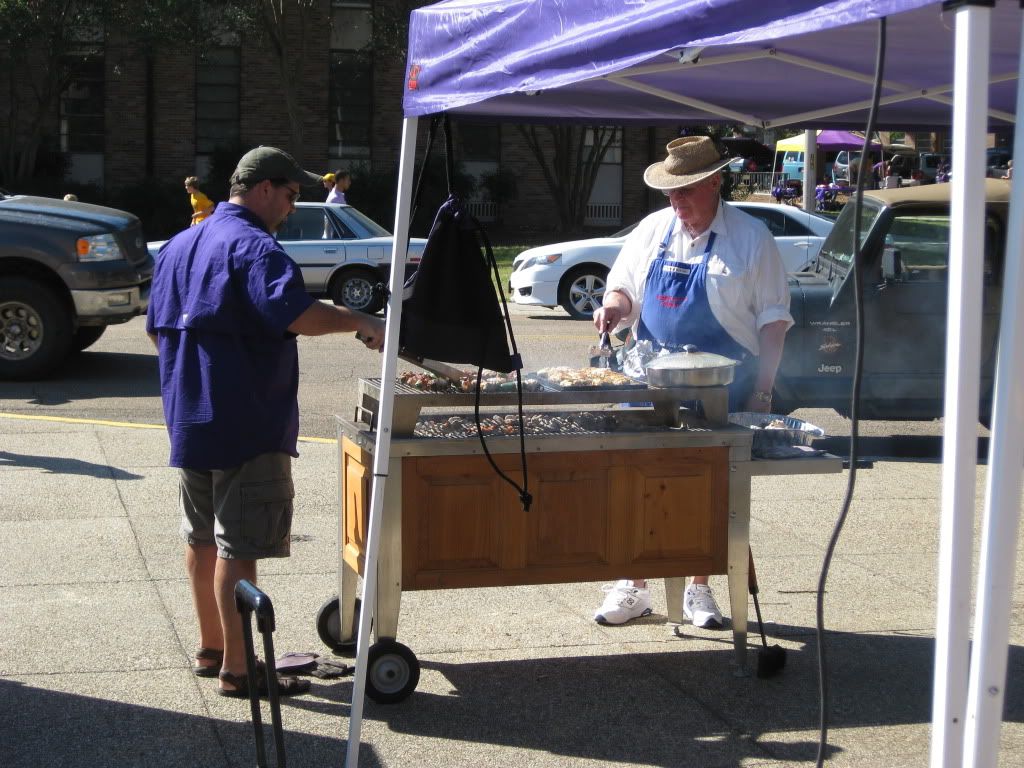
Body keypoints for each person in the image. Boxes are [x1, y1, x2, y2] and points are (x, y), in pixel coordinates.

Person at [147, 147, 385, 697]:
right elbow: (297, 314)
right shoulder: (255, 245)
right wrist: (360, 320)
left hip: (189, 415)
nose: (291, 205)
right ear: (263, 190)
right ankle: (238, 668)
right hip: (247, 420)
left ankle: (212, 648)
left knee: (202, 537)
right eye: (290, 194)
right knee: (239, 547)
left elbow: (156, 333)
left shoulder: (181, 244)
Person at [591, 136, 793, 628]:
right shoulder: (653, 230)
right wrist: (613, 308)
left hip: (722, 388)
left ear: (715, 182)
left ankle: (698, 590)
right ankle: (632, 585)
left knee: (709, 493)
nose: (676, 202)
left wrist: (764, 392)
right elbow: (623, 288)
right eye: (671, 193)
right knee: (631, 484)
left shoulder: (752, 238)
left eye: (686, 191)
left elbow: (773, 323)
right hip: (649, 385)